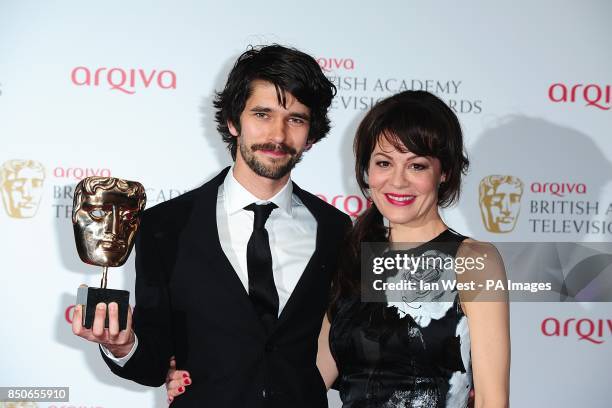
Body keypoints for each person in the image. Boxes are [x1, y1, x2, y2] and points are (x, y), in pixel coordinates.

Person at [167, 90, 510, 407]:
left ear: (444, 172)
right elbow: (309, 376)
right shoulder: (353, 257)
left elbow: (493, 400)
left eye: (417, 165)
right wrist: (206, 379)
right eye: (383, 163)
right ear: (366, 170)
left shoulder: (473, 261)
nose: (398, 181)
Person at [72, 44, 352, 408]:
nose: (279, 135)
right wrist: (122, 345)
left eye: (295, 119)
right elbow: (155, 359)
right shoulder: (164, 226)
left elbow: (347, 344)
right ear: (234, 121)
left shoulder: (335, 228)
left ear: (311, 134)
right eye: (262, 114)